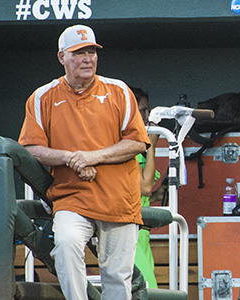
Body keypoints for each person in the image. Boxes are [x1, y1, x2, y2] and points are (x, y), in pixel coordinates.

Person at [18, 24, 151, 300]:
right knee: (66, 246)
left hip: (118, 198)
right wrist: (70, 158)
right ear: (61, 57)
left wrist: (92, 157)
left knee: (116, 277)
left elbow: (138, 142)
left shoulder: (119, 91)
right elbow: (30, 148)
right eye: (78, 53)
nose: (87, 58)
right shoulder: (43, 96)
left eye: (91, 51)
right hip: (72, 197)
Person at [130, 87, 160, 289]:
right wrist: (151, 145)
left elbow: (145, 195)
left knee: (148, 289)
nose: (147, 116)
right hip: (127, 231)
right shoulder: (126, 144)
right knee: (149, 290)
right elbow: (145, 187)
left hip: (142, 234)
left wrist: (161, 193)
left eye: (148, 111)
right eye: (142, 111)